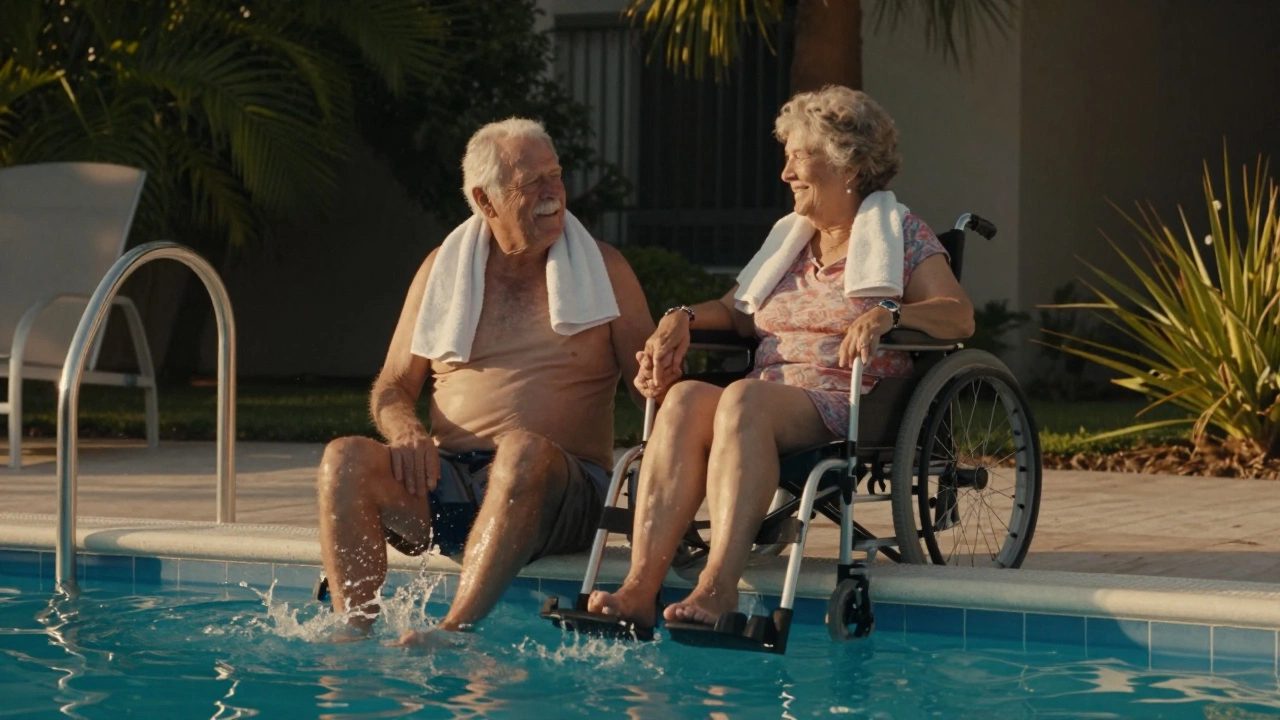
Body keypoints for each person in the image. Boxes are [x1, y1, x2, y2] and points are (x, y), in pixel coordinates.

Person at [587, 86, 975, 629]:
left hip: (851, 398)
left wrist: (890, 311)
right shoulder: (792, 239)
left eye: (798, 157)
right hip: (765, 395)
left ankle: (718, 586)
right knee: (682, 400)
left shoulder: (900, 235)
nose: (786, 173)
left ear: (845, 161)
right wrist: (681, 317)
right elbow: (738, 312)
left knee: (743, 399)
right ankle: (638, 588)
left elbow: (958, 316)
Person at [316, 117, 653, 639]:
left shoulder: (605, 270)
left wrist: (663, 367)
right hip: (449, 481)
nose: (554, 193)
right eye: (533, 182)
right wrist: (405, 431)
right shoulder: (442, 269)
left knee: (520, 452)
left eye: (556, 175)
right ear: (486, 200)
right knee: (345, 459)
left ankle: (453, 629)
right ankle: (353, 630)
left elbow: (650, 391)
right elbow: (392, 387)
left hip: (562, 492)